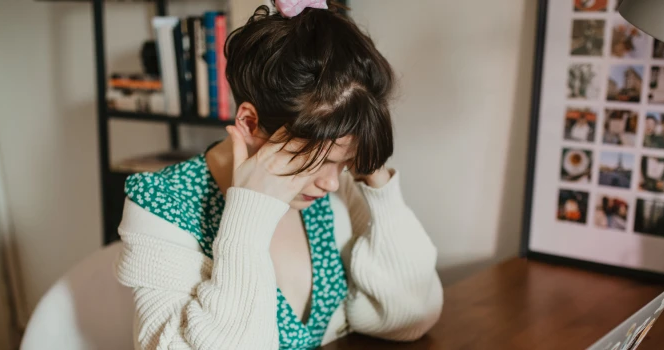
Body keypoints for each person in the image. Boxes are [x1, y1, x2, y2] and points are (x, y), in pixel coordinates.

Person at [114, 1, 443, 349]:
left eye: (346, 163)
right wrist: (248, 214)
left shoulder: (334, 189)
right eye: (319, 161)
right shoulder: (161, 205)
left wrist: (376, 180)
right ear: (250, 123)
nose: (332, 182)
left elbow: (411, 317)